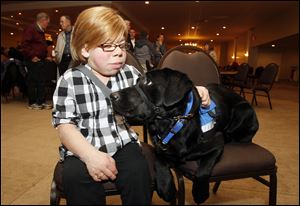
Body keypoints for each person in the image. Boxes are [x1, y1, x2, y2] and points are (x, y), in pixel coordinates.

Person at [52, 6, 211, 205]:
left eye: (122, 45)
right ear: (85, 49)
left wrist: (190, 89)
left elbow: (160, 89)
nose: (118, 53)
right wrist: (90, 155)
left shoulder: (131, 74)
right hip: (82, 147)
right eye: (108, 46)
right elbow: (65, 126)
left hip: (122, 144)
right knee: (76, 178)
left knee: (139, 172)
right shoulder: (70, 79)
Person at [20, 12, 52, 110]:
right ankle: (32, 102)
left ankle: (41, 101)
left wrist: (45, 56)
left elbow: (40, 46)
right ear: (43, 20)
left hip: (40, 59)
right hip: (32, 60)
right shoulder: (31, 29)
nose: (48, 24)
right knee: (33, 82)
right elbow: (25, 44)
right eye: (47, 22)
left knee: (41, 81)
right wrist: (32, 56)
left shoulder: (40, 30)